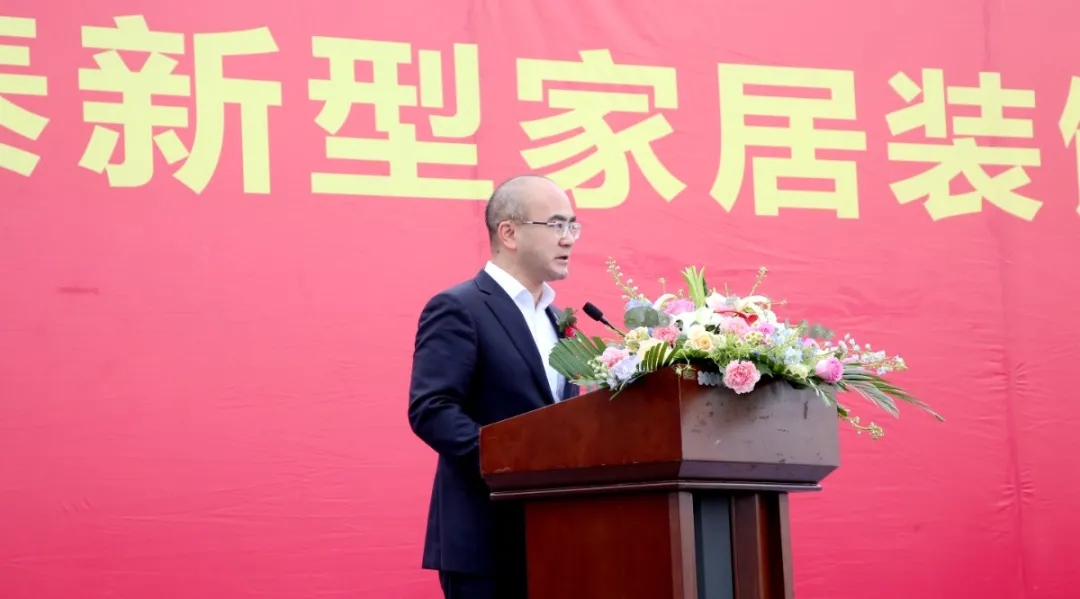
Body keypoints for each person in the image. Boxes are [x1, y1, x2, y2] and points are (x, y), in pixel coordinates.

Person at [407, 174, 581, 599]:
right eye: (556, 224)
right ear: (509, 233)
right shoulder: (460, 307)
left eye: (572, 225)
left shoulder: (557, 319)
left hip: (553, 538)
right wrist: (512, 463)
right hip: (484, 541)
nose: (568, 238)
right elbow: (432, 409)